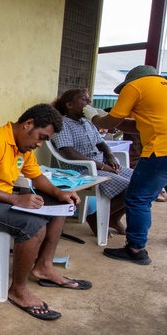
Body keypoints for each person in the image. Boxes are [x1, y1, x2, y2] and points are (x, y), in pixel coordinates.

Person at [0, 104, 89, 321]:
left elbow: (37, 177)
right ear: (28, 124)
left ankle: (44, 267)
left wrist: (60, 193)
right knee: (33, 225)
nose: (39, 144)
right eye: (41, 137)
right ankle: (18, 289)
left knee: (61, 208)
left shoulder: (22, 147)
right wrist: (15, 198)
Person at [88, 65, 167, 264]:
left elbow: (110, 122)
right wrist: (109, 119)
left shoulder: (136, 86)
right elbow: (137, 126)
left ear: (131, 81)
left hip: (165, 150)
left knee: (137, 198)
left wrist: (93, 115)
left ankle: (136, 249)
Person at [52, 88, 132, 236]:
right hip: (81, 171)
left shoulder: (87, 122)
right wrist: (102, 166)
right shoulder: (62, 124)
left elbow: (101, 143)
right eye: (84, 99)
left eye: (89, 99)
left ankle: (113, 218)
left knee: (142, 182)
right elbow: (69, 153)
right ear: (69, 105)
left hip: (100, 165)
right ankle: (95, 217)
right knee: (129, 188)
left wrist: (110, 156)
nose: (89, 102)